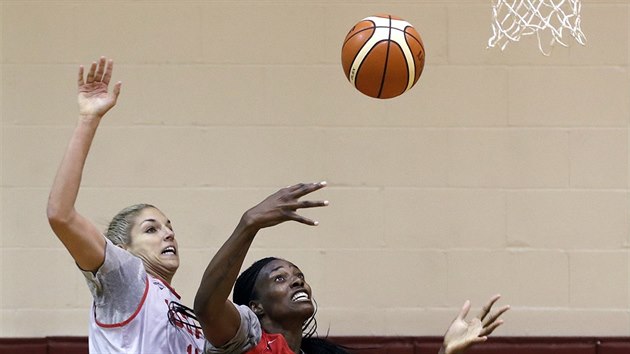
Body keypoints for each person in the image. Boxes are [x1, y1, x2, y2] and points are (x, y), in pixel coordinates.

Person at [194, 182, 509, 354]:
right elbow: (208, 307)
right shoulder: (243, 342)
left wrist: (447, 352)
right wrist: (249, 224)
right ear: (255, 306)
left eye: (299, 277)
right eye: (280, 278)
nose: (297, 283)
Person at [47, 57, 205, 354]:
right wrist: (88, 119)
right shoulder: (127, 280)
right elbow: (60, 215)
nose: (168, 234)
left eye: (169, 227)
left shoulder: (184, 315)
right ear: (123, 249)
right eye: (151, 229)